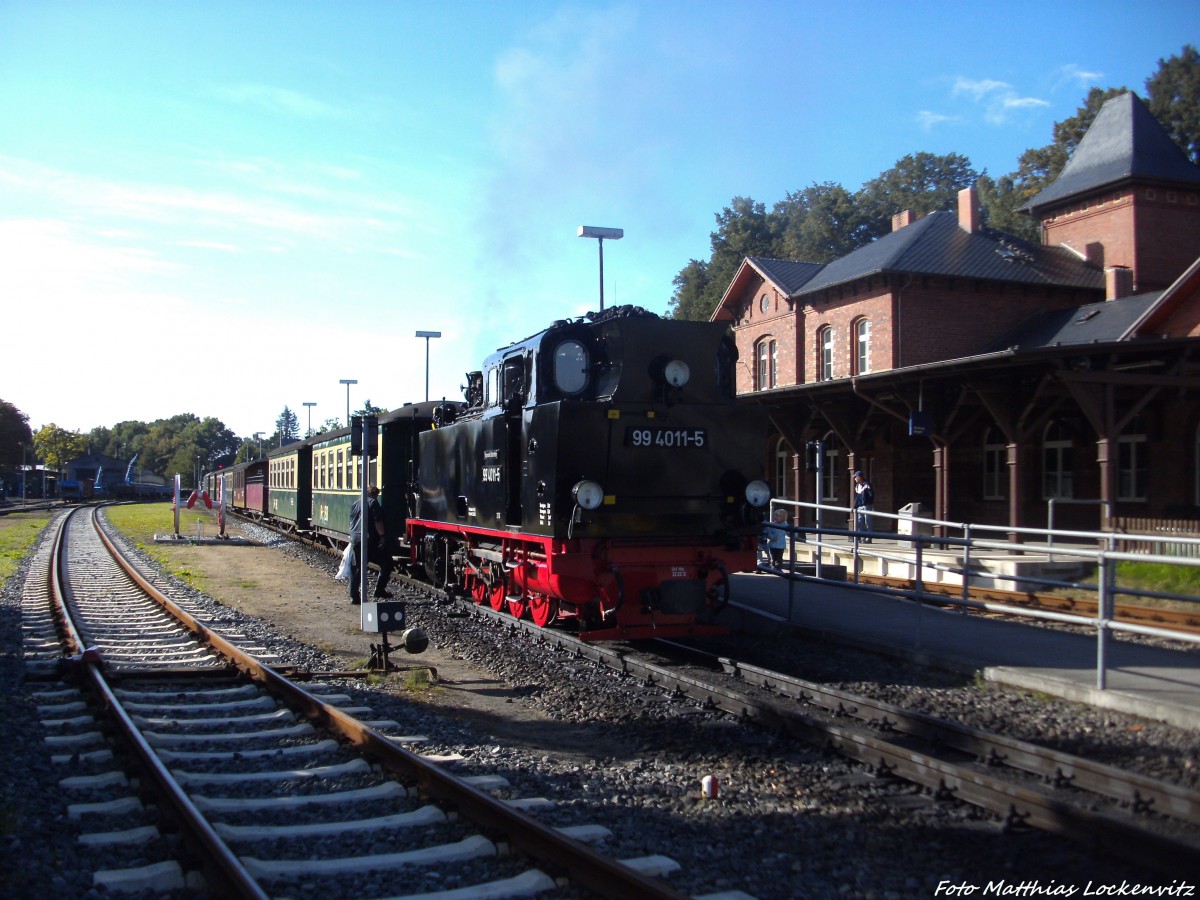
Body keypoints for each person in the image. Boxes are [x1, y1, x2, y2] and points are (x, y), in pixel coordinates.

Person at [348, 485, 395, 604]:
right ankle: (379, 590)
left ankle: (354, 596)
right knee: (387, 563)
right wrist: (383, 537)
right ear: (375, 494)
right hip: (369, 540)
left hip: (355, 539)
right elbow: (377, 521)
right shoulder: (373, 503)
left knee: (357, 567)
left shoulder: (355, 504)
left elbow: (351, 522)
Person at [852, 470, 874, 542]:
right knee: (859, 522)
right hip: (860, 506)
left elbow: (871, 495)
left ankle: (868, 538)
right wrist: (855, 506)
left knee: (868, 522)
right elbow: (857, 497)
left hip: (866, 506)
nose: (855, 479)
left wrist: (869, 502)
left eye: (855, 477)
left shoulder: (867, 484)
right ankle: (862, 537)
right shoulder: (857, 486)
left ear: (859, 477)